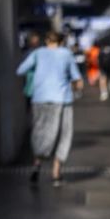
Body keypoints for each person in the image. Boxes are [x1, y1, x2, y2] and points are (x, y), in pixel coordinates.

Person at [16, 31, 83, 186]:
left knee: (40, 133)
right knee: (63, 135)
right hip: (61, 100)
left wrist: (38, 73)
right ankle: (56, 174)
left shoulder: (37, 53)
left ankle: (36, 165)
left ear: (46, 41)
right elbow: (76, 78)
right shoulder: (66, 54)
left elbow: (20, 70)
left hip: (39, 99)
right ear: (61, 42)